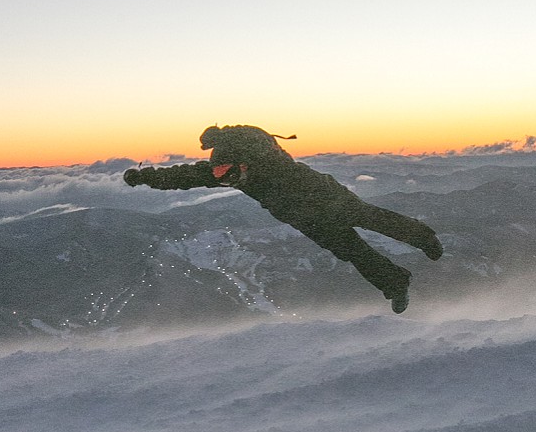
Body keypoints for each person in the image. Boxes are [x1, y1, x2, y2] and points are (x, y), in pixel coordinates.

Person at [124, 124, 443, 312]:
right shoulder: (225, 174)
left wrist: (230, 139)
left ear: (243, 163)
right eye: (218, 173)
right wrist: (144, 178)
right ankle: (396, 283)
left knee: (371, 218)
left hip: (327, 199)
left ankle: (423, 237)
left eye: (228, 171)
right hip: (304, 217)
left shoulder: (269, 163)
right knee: (353, 251)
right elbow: (182, 176)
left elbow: (264, 147)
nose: (224, 179)